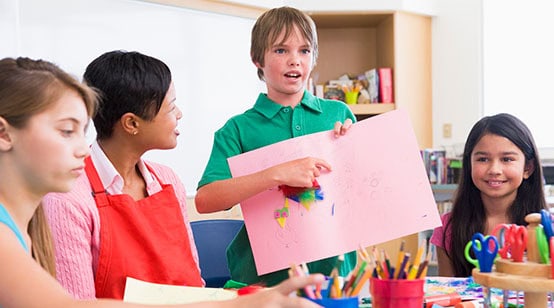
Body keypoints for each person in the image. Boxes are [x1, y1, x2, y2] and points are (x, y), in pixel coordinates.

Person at [0, 56, 325, 308]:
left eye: (80, 130)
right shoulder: (56, 205)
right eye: (66, 130)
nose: (83, 147)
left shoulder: (166, 180)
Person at [195, 6, 357, 287]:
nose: (294, 61)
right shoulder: (238, 129)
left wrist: (355, 147)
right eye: (281, 51)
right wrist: (276, 174)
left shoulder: (338, 114)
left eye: (304, 51)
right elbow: (206, 199)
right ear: (257, 59)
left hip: (336, 275)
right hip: (261, 282)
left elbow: (363, 185)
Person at [41, 50, 205, 299]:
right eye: (171, 107)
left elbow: (195, 285)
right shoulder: (68, 198)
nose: (179, 114)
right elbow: (77, 304)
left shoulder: (167, 180)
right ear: (131, 124)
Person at [430, 113, 548, 277]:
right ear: (469, 163)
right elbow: (448, 294)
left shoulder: (547, 230)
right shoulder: (448, 227)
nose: (494, 170)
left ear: (527, 168)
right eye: (483, 159)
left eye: (507, 159)